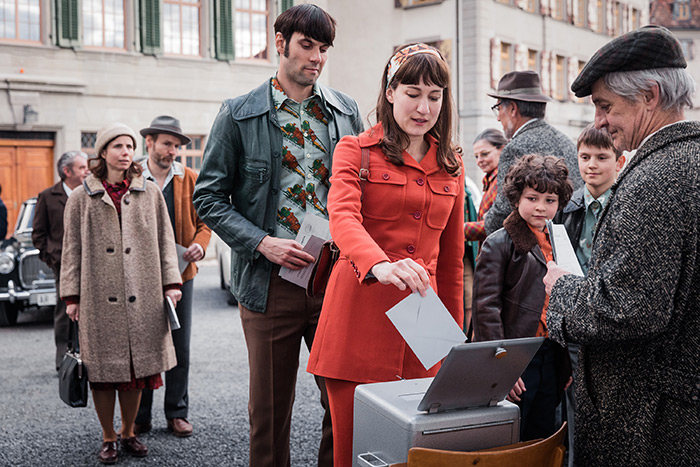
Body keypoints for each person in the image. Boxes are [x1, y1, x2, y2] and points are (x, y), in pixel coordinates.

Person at [192, 5, 363, 466]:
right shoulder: (239, 114)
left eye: (324, 48)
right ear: (281, 42)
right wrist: (261, 242)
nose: (317, 58)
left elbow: (364, 192)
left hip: (335, 281)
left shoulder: (346, 113)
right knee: (269, 414)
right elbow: (207, 199)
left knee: (344, 406)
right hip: (269, 287)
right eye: (308, 45)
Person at [544, 25, 700, 465]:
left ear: (649, 95)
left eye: (605, 105)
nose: (599, 121)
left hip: (649, 425)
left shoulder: (656, 177)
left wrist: (563, 288)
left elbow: (628, 309)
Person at [306, 43, 465, 467]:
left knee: (420, 453)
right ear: (390, 92)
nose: (424, 106)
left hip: (424, 333)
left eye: (434, 96)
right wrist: (380, 264)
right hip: (358, 322)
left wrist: (453, 343)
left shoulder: (452, 164)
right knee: (355, 453)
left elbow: (450, 266)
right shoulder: (354, 150)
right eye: (412, 92)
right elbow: (342, 219)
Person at [60, 123, 182, 465]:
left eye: (129, 145)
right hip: (98, 296)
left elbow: (164, 240)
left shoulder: (150, 192)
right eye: (117, 146)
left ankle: (128, 432)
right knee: (102, 373)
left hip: (143, 295)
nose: (125, 151)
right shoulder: (82, 196)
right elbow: (71, 249)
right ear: (103, 152)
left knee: (135, 373)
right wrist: (72, 296)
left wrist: (171, 283)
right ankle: (108, 436)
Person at [472, 154, 573, 442]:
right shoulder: (499, 243)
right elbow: (485, 310)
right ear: (517, 198)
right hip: (516, 355)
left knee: (542, 434)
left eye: (550, 200)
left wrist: (564, 362)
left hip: (550, 353)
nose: (541, 207)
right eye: (533, 197)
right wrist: (502, 365)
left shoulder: (558, 240)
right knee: (512, 436)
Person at [135, 115, 211, 438]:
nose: (173, 151)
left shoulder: (190, 178)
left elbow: (206, 223)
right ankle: (139, 416)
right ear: (149, 142)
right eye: (167, 144)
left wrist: (199, 246)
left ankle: (177, 412)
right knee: (143, 344)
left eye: (177, 146)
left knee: (180, 344)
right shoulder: (132, 177)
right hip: (138, 275)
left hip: (181, 273)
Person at [551, 124, 622, 466]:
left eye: (601, 157)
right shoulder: (569, 207)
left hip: (607, 316)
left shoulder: (625, 205)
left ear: (619, 162)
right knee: (573, 405)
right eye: (585, 157)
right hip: (574, 316)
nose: (591, 164)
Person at [484, 70, 582, 235]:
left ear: (513, 109)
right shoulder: (566, 140)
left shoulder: (514, 148)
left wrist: (487, 226)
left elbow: (504, 209)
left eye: (498, 107)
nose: (498, 118)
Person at [32, 151, 89, 371]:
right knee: (65, 312)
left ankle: (89, 357)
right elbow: (38, 235)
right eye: (82, 168)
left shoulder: (90, 193)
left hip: (92, 264)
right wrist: (53, 258)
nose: (87, 171)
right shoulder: (47, 196)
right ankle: (63, 361)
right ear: (67, 171)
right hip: (63, 266)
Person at [463, 129, 506, 334]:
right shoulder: (491, 180)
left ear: (502, 150)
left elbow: (493, 224)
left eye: (485, 154)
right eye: (477, 156)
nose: (480, 160)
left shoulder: (501, 181)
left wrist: (457, 230)